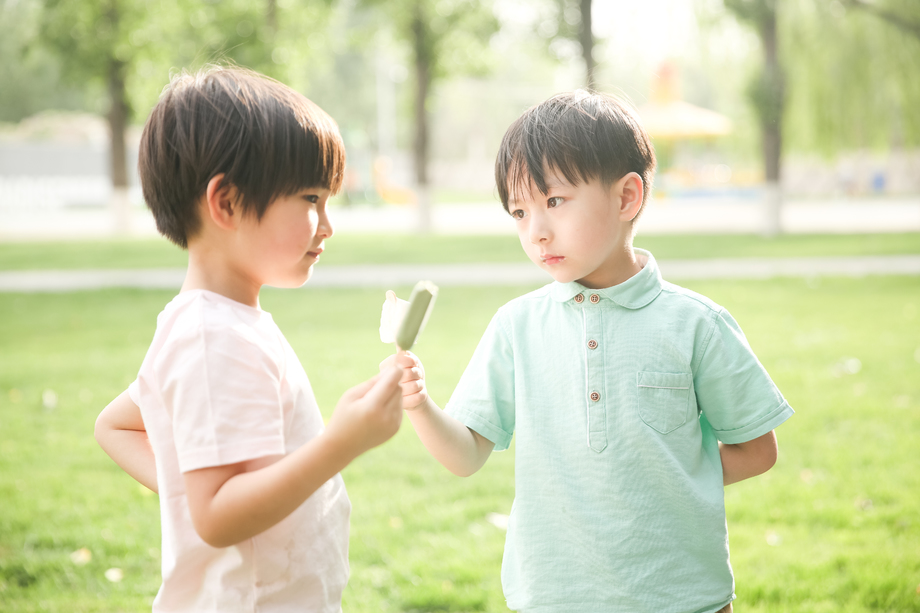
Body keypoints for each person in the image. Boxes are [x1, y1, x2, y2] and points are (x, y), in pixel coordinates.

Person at [386, 91, 793, 613]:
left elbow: (757, 450)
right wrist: (419, 404)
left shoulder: (697, 324)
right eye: (519, 211)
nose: (536, 231)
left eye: (554, 201)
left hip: (684, 596)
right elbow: (465, 456)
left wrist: (665, 479)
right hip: (554, 597)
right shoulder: (516, 326)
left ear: (627, 198)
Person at [94, 66, 405, 613]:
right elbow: (217, 515)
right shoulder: (213, 338)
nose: (327, 225)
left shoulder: (218, 323)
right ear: (228, 203)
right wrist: (342, 442)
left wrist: (183, 487)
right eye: (311, 199)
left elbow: (117, 425)